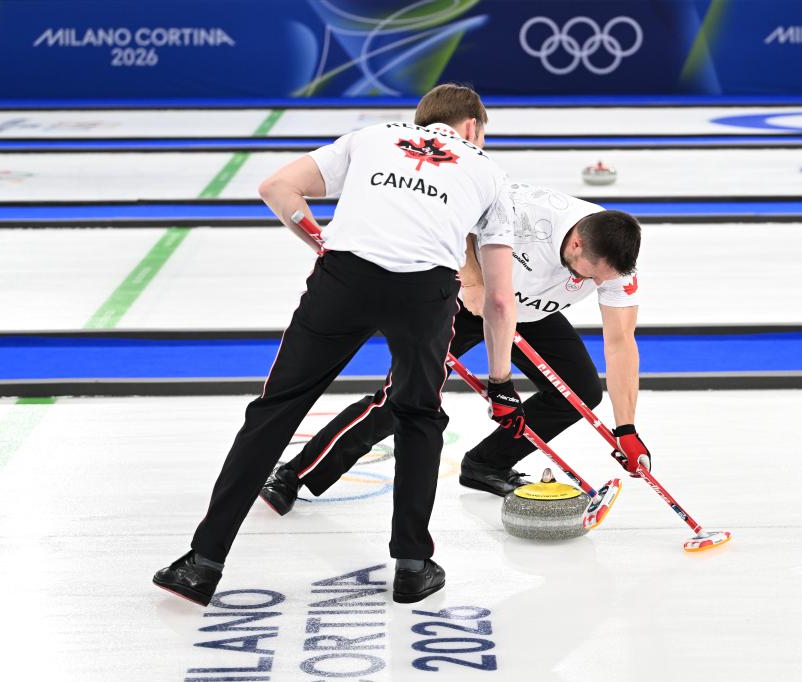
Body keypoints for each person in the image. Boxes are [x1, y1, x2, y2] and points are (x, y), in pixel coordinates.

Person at [153, 84, 524, 606]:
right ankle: (412, 566)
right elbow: (500, 300)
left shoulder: (371, 136)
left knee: (276, 410)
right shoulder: (488, 171)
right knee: (417, 415)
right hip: (424, 293)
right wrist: (500, 380)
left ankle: (202, 563)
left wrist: (321, 241)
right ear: (473, 127)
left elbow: (277, 188)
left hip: (344, 278)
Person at [259, 181, 649, 516]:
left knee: (579, 391)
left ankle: (487, 464)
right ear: (577, 242)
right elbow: (457, 222)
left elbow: (620, 342)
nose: (595, 284)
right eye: (588, 275)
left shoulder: (612, 264)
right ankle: (294, 474)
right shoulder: (526, 216)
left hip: (525, 308)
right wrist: (476, 286)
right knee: (405, 398)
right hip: (462, 296)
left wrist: (626, 428)